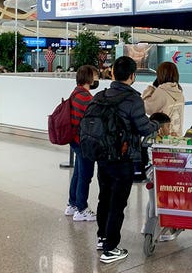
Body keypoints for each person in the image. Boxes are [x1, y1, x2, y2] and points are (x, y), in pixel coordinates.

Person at [95, 56, 159, 264]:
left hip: (102, 156)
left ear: (113, 73)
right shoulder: (133, 100)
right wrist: (156, 124)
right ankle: (110, 249)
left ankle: (102, 236)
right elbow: (143, 128)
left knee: (104, 197)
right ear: (133, 76)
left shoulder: (101, 95)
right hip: (123, 158)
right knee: (117, 203)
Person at [64, 65, 99, 222]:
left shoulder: (76, 92)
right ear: (89, 78)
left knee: (78, 173)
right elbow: (92, 119)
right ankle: (81, 209)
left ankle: (72, 204)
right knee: (85, 175)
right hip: (83, 141)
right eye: (96, 76)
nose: (97, 79)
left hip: (76, 141)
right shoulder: (84, 97)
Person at [142, 62, 185, 136]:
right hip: (176, 135)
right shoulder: (179, 91)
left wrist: (151, 88)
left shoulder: (161, 91)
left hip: (163, 137)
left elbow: (146, 107)